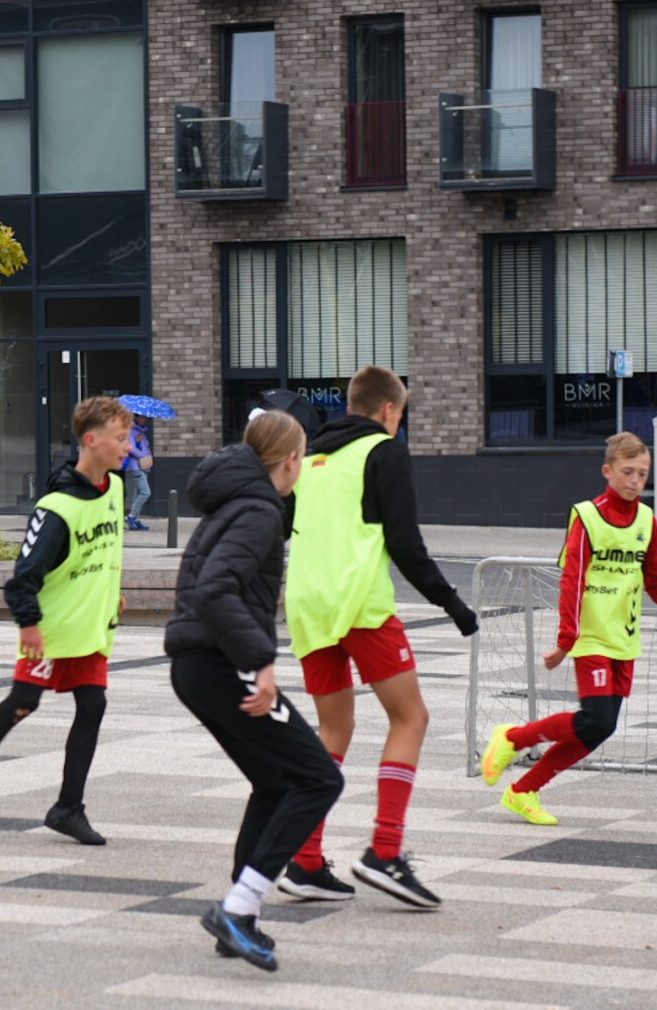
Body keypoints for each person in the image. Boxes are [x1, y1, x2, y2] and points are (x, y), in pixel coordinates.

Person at [280, 365, 479, 910]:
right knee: (411, 717)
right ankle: (384, 852)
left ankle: (305, 861)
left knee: (334, 727)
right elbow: (405, 543)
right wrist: (452, 604)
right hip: (359, 605)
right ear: (390, 409)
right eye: (402, 414)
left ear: (351, 404)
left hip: (307, 606)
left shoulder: (310, 459)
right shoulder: (384, 451)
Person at [167, 411, 344, 972]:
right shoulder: (260, 510)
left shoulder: (236, 501)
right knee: (319, 778)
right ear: (291, 460)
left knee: (274, 783)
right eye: (303, 459)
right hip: (220, 665)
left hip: (198, 665)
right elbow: (217, 589)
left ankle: (238, 920)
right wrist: (260, 661)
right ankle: (237, 911)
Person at [482, 431, 657, 825]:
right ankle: (512, 738)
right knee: (594, 719)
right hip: (590, 635)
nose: (635, 480)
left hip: (623, 638)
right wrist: (566, 640)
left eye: (642, 473)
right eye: (628, 472)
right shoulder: (587, 517)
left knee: (600, 728)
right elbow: (572, 581)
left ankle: (523, 791)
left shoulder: (647, 520)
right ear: (608, 471)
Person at [0, 396, 133, 846]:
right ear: (92, 440)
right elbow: (23, 578)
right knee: (23, 703)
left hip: (90, 628)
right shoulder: (55, 509)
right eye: (122, 438)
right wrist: (28, 624)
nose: (129, 446)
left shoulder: (116, 488)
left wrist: (112, 590)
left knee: (93, 705)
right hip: (50, 629)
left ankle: (68, 808)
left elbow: (102, 550)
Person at [123, 413, 153, 531]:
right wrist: (144, 456)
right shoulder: (130, 432)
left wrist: (149, 459)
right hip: (135, 467)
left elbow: (146, 448)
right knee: (145, 492)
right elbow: (131, 448)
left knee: (138, 493)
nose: (145, 419)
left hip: (144, 466)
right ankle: (130, 517)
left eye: (146, 417)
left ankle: (134, 519)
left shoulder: (142, 433)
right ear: (136, 418)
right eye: (142, 417)